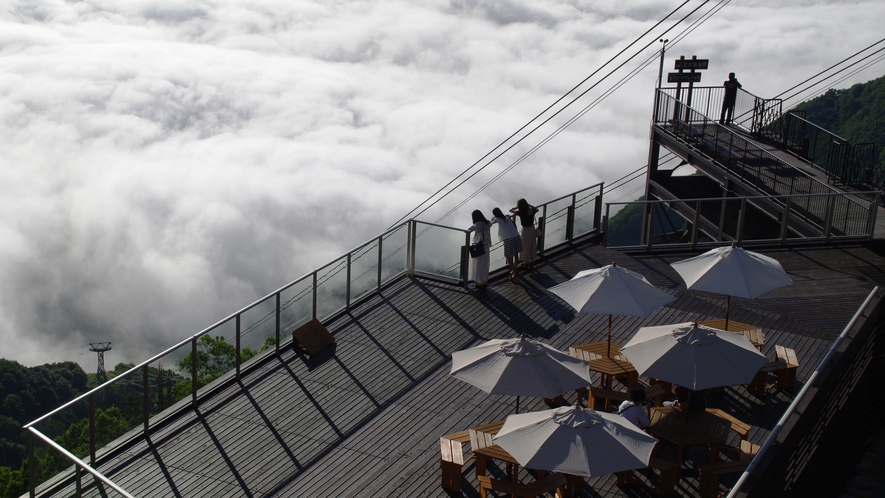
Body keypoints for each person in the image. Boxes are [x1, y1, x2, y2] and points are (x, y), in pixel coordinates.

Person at [491, 207, 523, 279]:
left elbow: (492, 220)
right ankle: (514, 271)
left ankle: (515, 272)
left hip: (509, 239)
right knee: (516, 255)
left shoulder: (498, 219)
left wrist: (494, 217)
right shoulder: (507, 217)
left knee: (508, 257)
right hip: (516, 236)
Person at [509, 199, 539, 271]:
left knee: (525, 246)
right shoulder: (532, 210)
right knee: (532, 244)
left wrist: (515, 207)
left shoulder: (521, 212)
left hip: (525, 230)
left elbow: (511, 210)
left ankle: (527, 263)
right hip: (532, 228)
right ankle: (532, 261)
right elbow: (537, 209)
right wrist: (529, 205)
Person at [467, 210, 492, 289]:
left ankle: (478, 282)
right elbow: (491, 223)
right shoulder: (488, 223)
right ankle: (484, 281)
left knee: (478, 265)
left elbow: (470, 228)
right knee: (485, 264)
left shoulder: (478, 224)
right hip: (486, 246)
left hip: (480, 247)